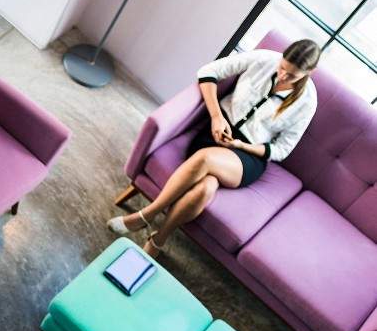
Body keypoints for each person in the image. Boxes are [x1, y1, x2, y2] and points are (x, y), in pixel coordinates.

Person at [107, 39, 321, 256]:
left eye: (292, 75)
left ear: (309, 72)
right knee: (205, 188)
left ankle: (145, 216)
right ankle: (158, 240)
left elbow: (282, 150)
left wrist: (241, 146)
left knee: (205, 160)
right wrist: (216, 117)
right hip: (215, 133)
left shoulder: (307, 102)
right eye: (283, 67)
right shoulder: (264, 59)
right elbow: (209, 71)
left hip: (248, 156)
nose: (283, 76)